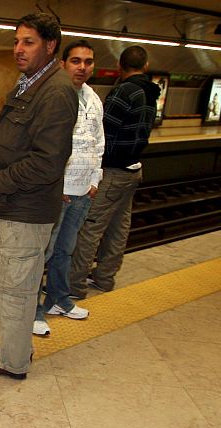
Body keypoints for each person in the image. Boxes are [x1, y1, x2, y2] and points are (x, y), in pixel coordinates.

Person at [0, 13, 78, 380]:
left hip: (25, 205)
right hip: (16, 204)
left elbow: (47, 162)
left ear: (50, 46)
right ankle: (12, 344)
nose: (18, 48)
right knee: (12, 282)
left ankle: (12, 362)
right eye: (16, 41)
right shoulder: (32, 83)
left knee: (13, 288)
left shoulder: (57, 91)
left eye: (28, 42)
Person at [69, 45, 159, 298]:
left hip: (114, 171)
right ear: (146, 66)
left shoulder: (123, 91)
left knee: (90, 227)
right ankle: (105, 278)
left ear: (119, 67)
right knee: (119, 227)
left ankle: (75, 285)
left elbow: (103, 133)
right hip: (133, 169)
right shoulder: (150, 92)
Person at [33, 39, 104, 336]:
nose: (82, 67)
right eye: (76, 61)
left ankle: (58, 299)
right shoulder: (54, 96)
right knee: (43, 252)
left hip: (82, 190)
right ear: (63, 64)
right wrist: (53, 183)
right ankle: (33, 308)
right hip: (57, 190)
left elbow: (99, 141)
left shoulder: (94, 99)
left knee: (66, 250)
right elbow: (43, 145)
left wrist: (94, 180)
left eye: (88, 62)